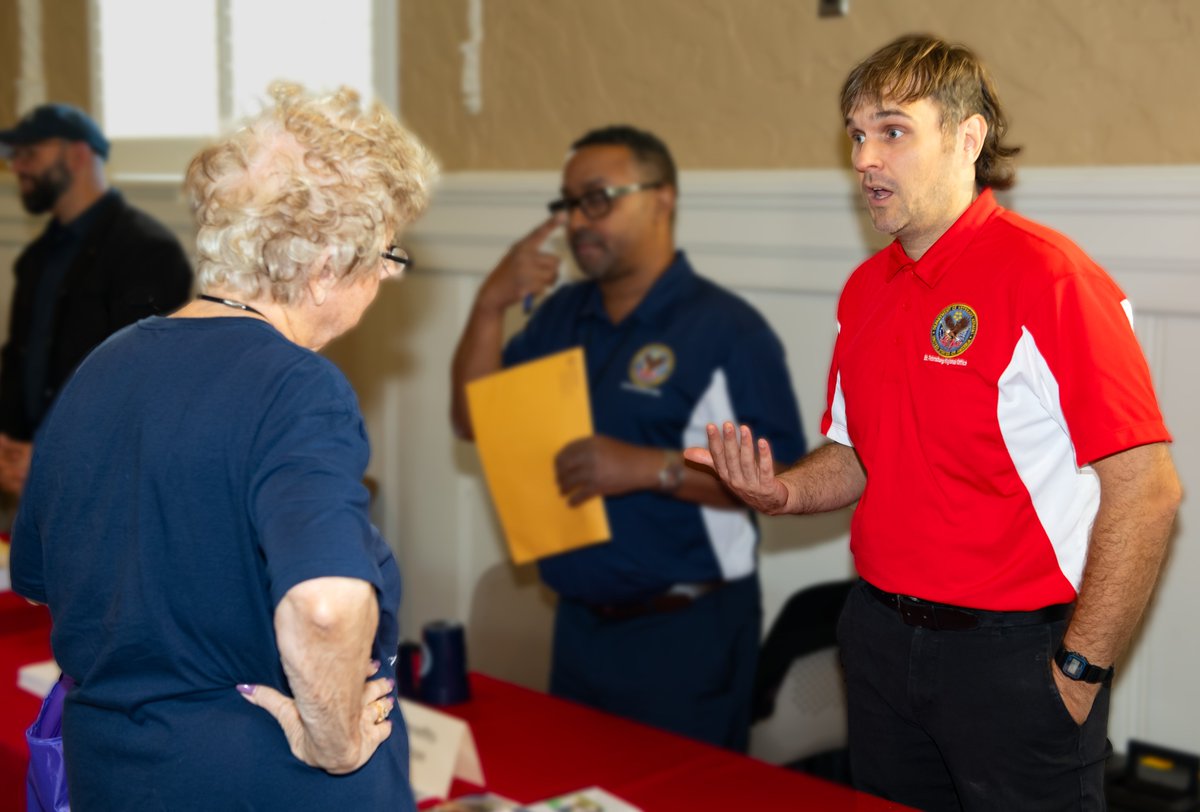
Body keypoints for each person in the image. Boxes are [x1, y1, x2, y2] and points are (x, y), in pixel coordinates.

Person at [686, 34, 1182, 811]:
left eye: (892, 130)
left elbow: (1148, 491)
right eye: (856, 135)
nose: (864, 160)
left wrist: (1079, 670)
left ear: (968, 137)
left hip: (1014, 658)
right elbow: (856, 454)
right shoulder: (866, 290)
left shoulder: (1050, 278)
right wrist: (781, 491)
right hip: (879, 642)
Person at [10, 83, 437, 810]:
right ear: (328, 264)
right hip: (267, 784)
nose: (385, 280)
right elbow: (326, 605)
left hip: (118, 775)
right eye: (386, 255)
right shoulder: (299, 387)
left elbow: (42, 576)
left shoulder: (104, 366)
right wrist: (331, 742)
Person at [450, 125, 806, 752]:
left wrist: (649, 467)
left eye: (598, 198)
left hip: (686, 634)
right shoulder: (562, 316)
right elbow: (472, 421)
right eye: (567, 203)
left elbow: (778, 480)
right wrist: (487, 307)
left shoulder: (726, 331)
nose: (577, 221)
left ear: (662, 199)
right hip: (579, 625)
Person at [0, 103, 193, 499]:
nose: (17, 168)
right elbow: (22, 360)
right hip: (38, 476)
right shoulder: (37, 257)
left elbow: (142, 387)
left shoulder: (148, 251)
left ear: (78, 153)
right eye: (14, 156)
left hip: (110, 483)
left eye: (29, 154)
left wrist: (53, 456)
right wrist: (9, 442)